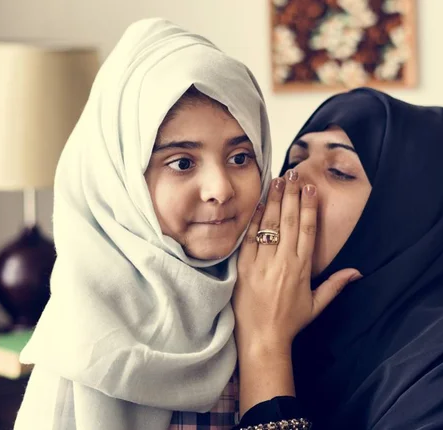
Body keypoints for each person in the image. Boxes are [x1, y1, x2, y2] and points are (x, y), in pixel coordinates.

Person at [14, 18, 273, 430]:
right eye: (182, 163)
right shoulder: (86, 337)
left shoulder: (273, 294)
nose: (220, 189)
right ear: (122, 183)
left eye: (241, 157)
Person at [233, 87, 443, 429]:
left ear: (403, 212)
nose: (293, 178)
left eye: (340, 171)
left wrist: (265, 349)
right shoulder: (297, 314)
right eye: (296, 158)